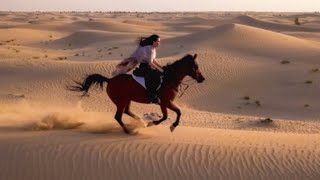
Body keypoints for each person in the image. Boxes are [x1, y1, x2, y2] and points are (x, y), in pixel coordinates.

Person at [112, 34, 163, 103]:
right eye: (158, 41)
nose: (159, 43)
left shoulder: (153, 49)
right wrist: (158, 69)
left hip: (148, 66)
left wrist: (161, 67)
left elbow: (154, 60)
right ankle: (151, 95)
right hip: (144, 67)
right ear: (153, 42)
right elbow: (150, 63)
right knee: (153, 77)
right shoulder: (150, 49)